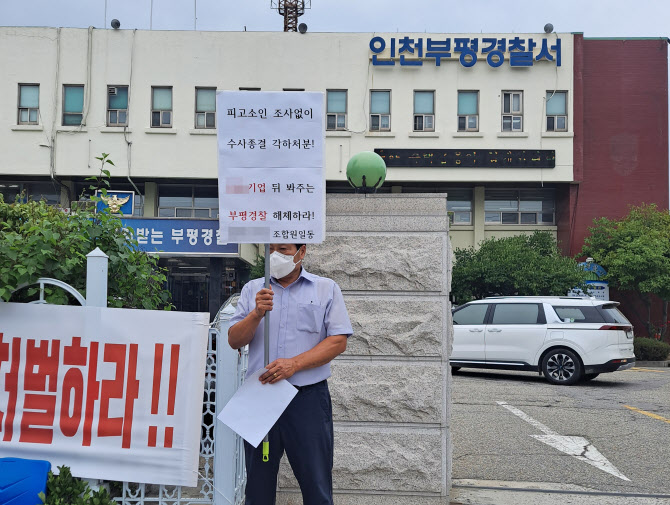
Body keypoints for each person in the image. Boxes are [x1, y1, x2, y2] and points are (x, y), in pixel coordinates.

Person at [228, 243, 353, 505]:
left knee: (316, 482)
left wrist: (293, 365)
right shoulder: (253, 289)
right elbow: (234, 340)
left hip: (307, 399)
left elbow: (338, 341)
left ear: (301, 252)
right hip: (261, 397)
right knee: (258, 487)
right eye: (270, 248)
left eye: (283, 249)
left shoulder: (325, 288)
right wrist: (256, 313)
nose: (275, 255)